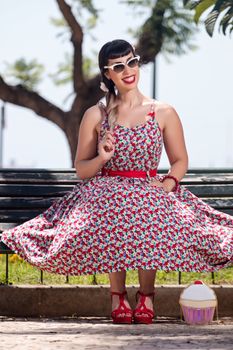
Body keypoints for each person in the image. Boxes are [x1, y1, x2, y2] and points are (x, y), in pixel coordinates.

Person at [1, 39, 233, 325]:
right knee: (116, 208)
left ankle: (147, 295)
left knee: (147, 210)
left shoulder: (162, 112)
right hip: (107, 188)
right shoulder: (96, 115)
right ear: (107, 74)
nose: (128, 70)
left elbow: (180, 160)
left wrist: (170, 183)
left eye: (132, 62)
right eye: (119, 66)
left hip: (150, 187)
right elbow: (82, 170)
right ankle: (117, 295)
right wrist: (101, 157)